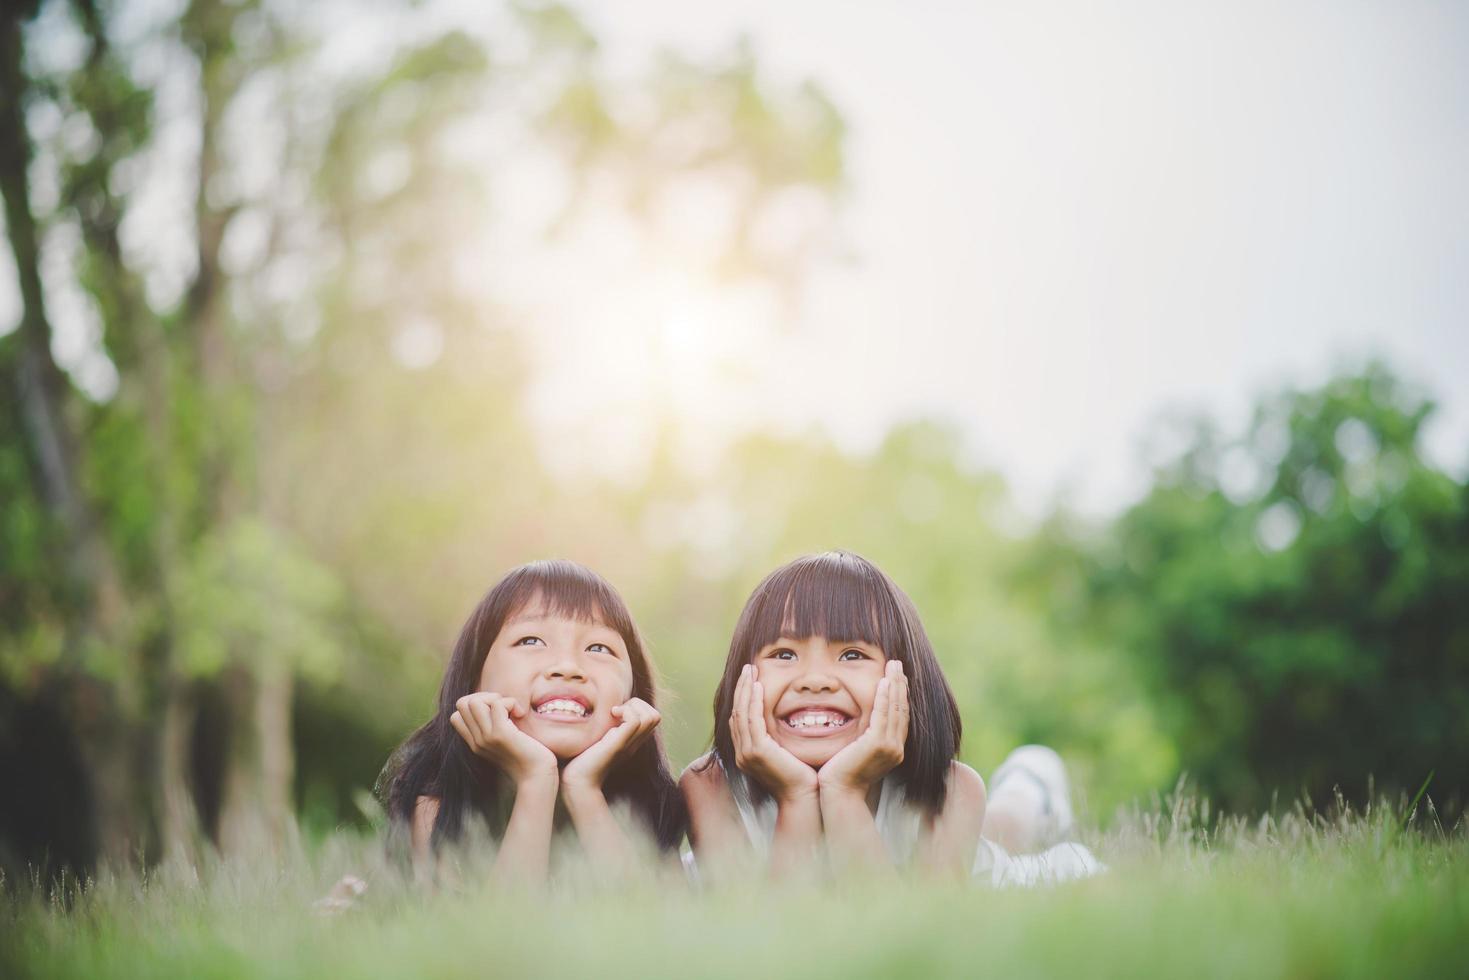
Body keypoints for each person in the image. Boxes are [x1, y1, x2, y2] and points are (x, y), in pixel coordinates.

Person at [680, 550, 1102, 885]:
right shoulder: (709, 788)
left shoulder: (951, 791)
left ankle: (1031, 784)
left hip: (976, 870)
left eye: (852, 654)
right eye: (784, 654)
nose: (815, 680)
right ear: (741, 677)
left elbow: (906, 935)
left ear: (904, 681)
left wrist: (843, 792)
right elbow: (770, 937)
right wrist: (797, 798)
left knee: (1005, 828)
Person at [379, 559, 685, 885]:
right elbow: (499, 932)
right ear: (474, 678)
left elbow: (652, 928)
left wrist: (583, 789)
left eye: (598, 647)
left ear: (633, 691)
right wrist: (535, 779)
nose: (567, 666)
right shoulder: (437, 807)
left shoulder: (657, 807)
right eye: (531, 641)